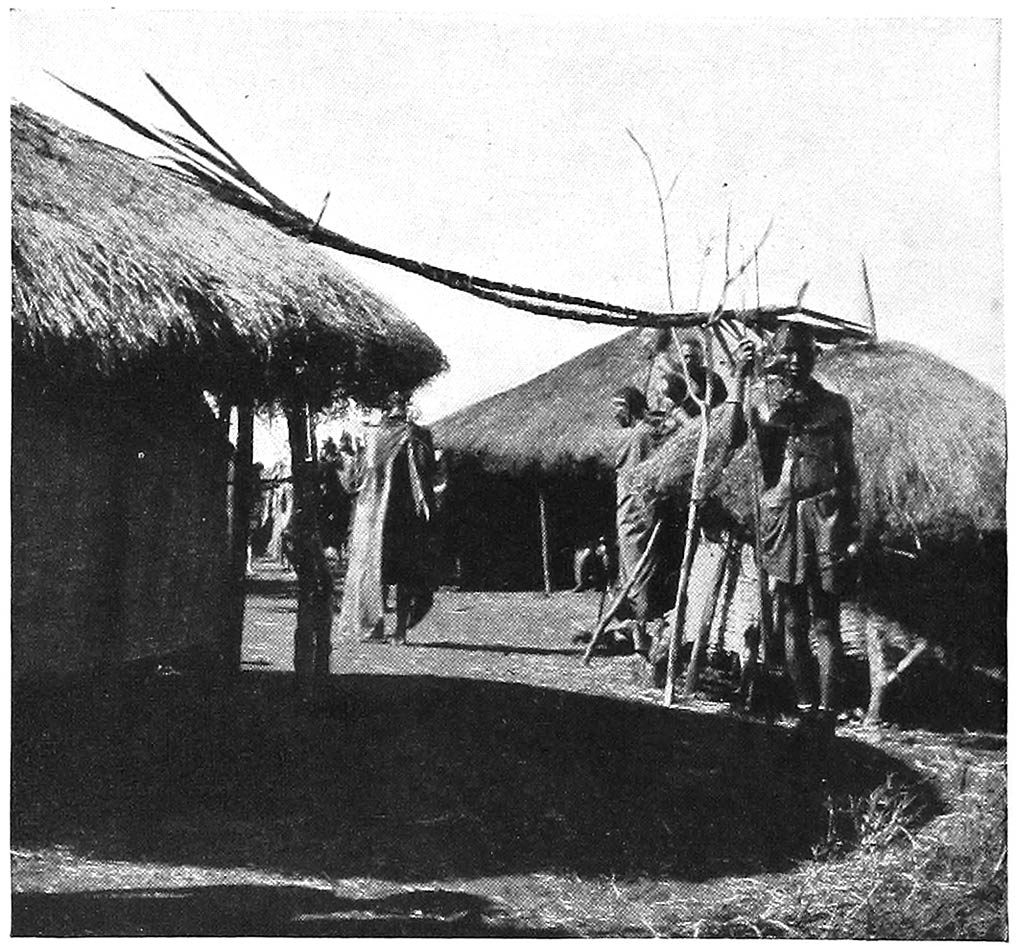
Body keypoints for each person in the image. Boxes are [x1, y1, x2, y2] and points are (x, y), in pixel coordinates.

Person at [730, 322, 860, 734]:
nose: (795, 361)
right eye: (786, 353)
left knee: (826, 621)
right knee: (791, 619)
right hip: (781, 519)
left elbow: (849, 471)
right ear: (775, 358)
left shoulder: (835, 406)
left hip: (825, 519)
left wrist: (853, 527)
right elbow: (733, 438)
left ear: (815, 357)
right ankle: (805, 708)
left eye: (803, 353)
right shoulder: (763, 401)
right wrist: (740, 378)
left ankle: (828, 713)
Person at [339, 397, 438, 645]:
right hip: (402, 513)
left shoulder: (379, 436)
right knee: (402, 573)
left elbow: (359, 477)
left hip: (381, 516)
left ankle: (380, 627)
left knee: (380, 570)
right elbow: (428, 470)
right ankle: (396, 630)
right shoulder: (416, 435)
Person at [611, 386, 664, 655]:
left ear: (631, 407)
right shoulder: (638, 434)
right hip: (629, 514)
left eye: (619, 406)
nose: (615, 413)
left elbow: (641, 478)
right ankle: (635, 630)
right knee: (632, 575)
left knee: (638, 575)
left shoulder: (641, 435)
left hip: (636, 516)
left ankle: (642, 634)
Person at [657, 337, 729, 427]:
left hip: (711, 421)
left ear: (701, 358)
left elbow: (723, 405)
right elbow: (671, 408)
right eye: (686, 356)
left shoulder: (713, 378)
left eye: (693, 356)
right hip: (686, 425)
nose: (689, 360)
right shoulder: (675, 380)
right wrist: (689, 424)